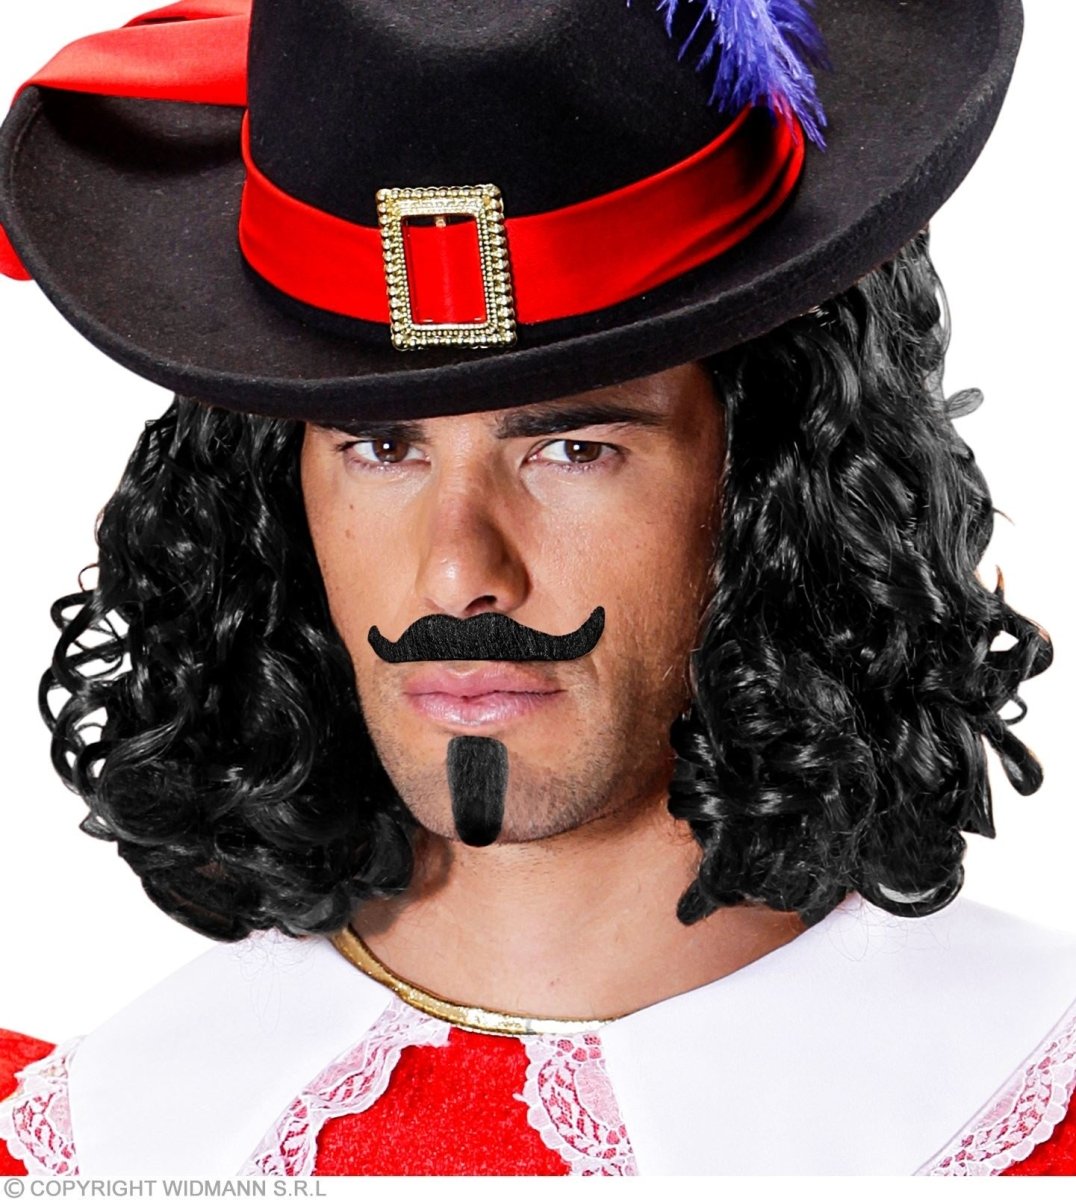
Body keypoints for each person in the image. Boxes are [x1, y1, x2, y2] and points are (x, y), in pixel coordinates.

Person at [1, 0, 1073, 1177]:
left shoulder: (1019, 1112)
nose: (459, 571)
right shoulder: (82, 1143)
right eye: (381, 448)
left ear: (773, 486)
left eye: (571, 450)